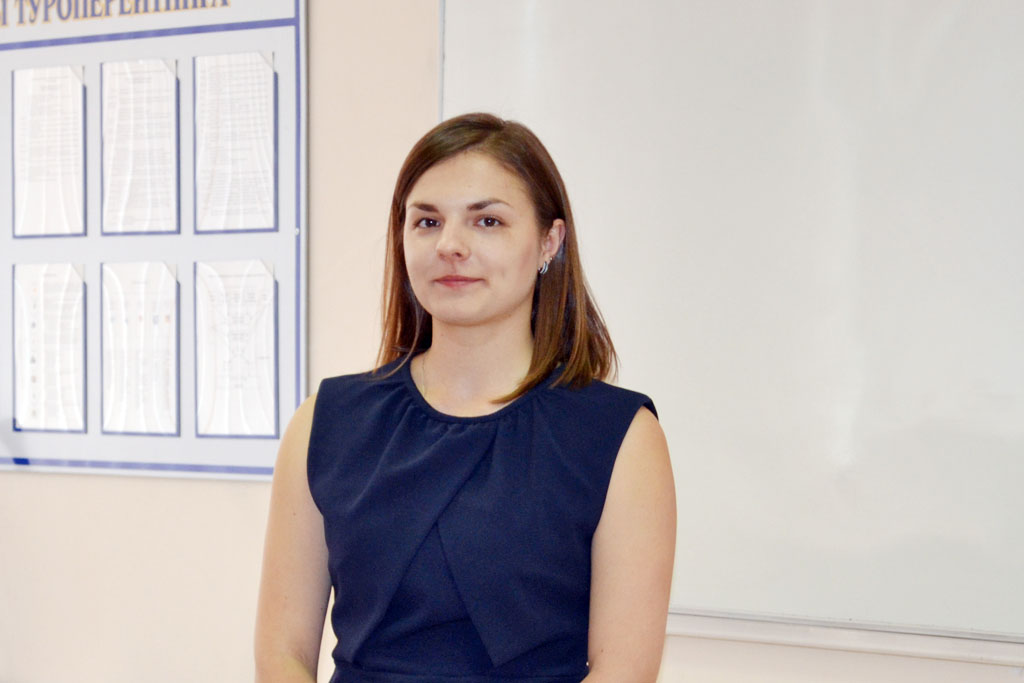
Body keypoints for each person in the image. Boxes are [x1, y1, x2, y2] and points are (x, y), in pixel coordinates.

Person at [255, 113, 676, 682]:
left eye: (487, 221)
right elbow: (282, 652)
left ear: (549, 241)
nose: (451, 245)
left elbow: (624, 669)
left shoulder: (621, 438)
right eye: (427, 221)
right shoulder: (324, 423)